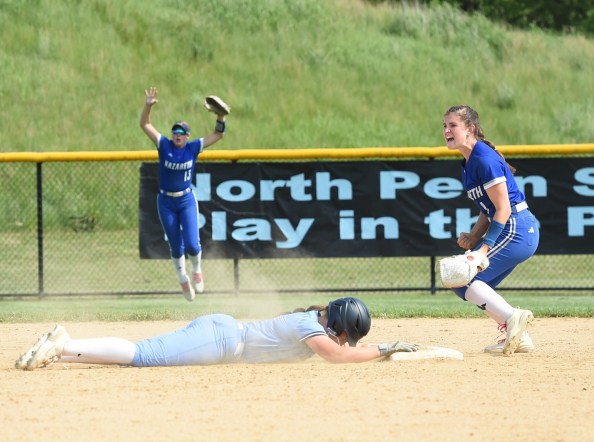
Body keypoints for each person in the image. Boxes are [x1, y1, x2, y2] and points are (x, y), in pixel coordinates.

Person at [15, 297, 419, 370]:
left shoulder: (314, 324)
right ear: (339, 326)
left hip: (223, 335)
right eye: (350, 335)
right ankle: (65, 342)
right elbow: (338, 357)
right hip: (222, 341)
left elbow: (339, 351)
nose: (348, 342)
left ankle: (60, 353)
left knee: (143, 355)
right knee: (142, 355)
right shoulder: (308, 327)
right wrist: (384, 349)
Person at [442, 105, 539, 355]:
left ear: (470, 129)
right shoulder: (469, 161)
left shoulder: (484, 159)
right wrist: (475, 235)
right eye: (444, 126)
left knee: (466, 274)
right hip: (510, 228)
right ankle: (518, 335)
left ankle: (513, 318)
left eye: (453, 125)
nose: (446, 131)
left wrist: (482, 249)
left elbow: (503, 208)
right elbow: (489, 208)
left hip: (516, 228)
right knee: (461, 283)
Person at [140, 87, 227, 301]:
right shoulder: (164, 145)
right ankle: (182, 278)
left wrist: (221, 116)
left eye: (181, 133)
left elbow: (218, 134)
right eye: (175, 132)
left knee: (192, 244)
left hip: (186, 199)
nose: (177, 135)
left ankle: (197, 269)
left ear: (187, 136)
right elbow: (145, 124)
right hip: (166, 200)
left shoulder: (193, 147)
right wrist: (148, 105)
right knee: (175, 244)